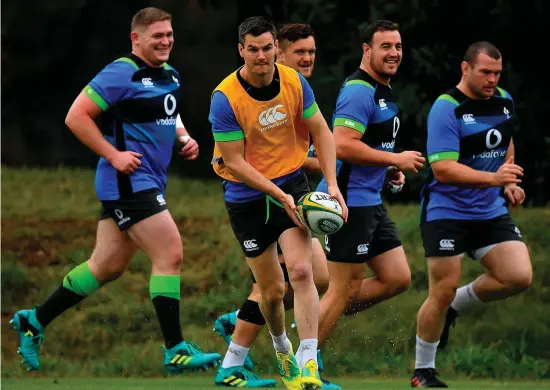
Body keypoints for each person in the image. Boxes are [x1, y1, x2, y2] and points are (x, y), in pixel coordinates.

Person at [10, 7, 220, 374]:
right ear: (135, 39)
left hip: (147, 180)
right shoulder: (122, 71)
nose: (166, 41)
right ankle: (176, 350)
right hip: (127, 182)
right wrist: (114, 155)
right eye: (157, 36)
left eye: (169, 34)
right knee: (170, 253)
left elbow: (169, 114)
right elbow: (76, 116)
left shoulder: (169, 74)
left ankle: (35, 320)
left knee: (106, 266)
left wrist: (184, 137)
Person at [209, 16, 347, 390]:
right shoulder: (225, 98)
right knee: (271, 291)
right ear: (241, 51)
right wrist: (279, 195)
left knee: (303, 273)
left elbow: (321, 130)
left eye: (267, 48)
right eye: (252, 49)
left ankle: (308, 365)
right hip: (247, 197)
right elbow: (235, 162)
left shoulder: (293, 82)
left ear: (275, 49)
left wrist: (332, 185)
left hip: (292, 183)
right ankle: (281, 345)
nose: (261, 56)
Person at [411, 41, 531, 388]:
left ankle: (455, 307)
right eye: (485, 72)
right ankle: (423, 371)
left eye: (497, 73)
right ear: (466, 69)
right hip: (446, 211)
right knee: (441, 288)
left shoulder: (504, 100)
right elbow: (444, 168)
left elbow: (504, 144)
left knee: (518, 276)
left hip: (489, 209)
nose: (492, 79)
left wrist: (507, 180)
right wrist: (494, 178)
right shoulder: (446, 108)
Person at [315, 19, 425, 367]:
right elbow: (342, 146)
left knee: (397, 278)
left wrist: (387, 169)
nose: (394, 53)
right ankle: (304, 361)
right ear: (367, 50)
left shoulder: (383, 89)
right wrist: (394, 158)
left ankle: (311, 317)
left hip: (371, 202)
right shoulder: (359, 90)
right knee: (342, 290)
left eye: (398, 47)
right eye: (385, 47)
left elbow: (367, 146)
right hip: (349, 203)